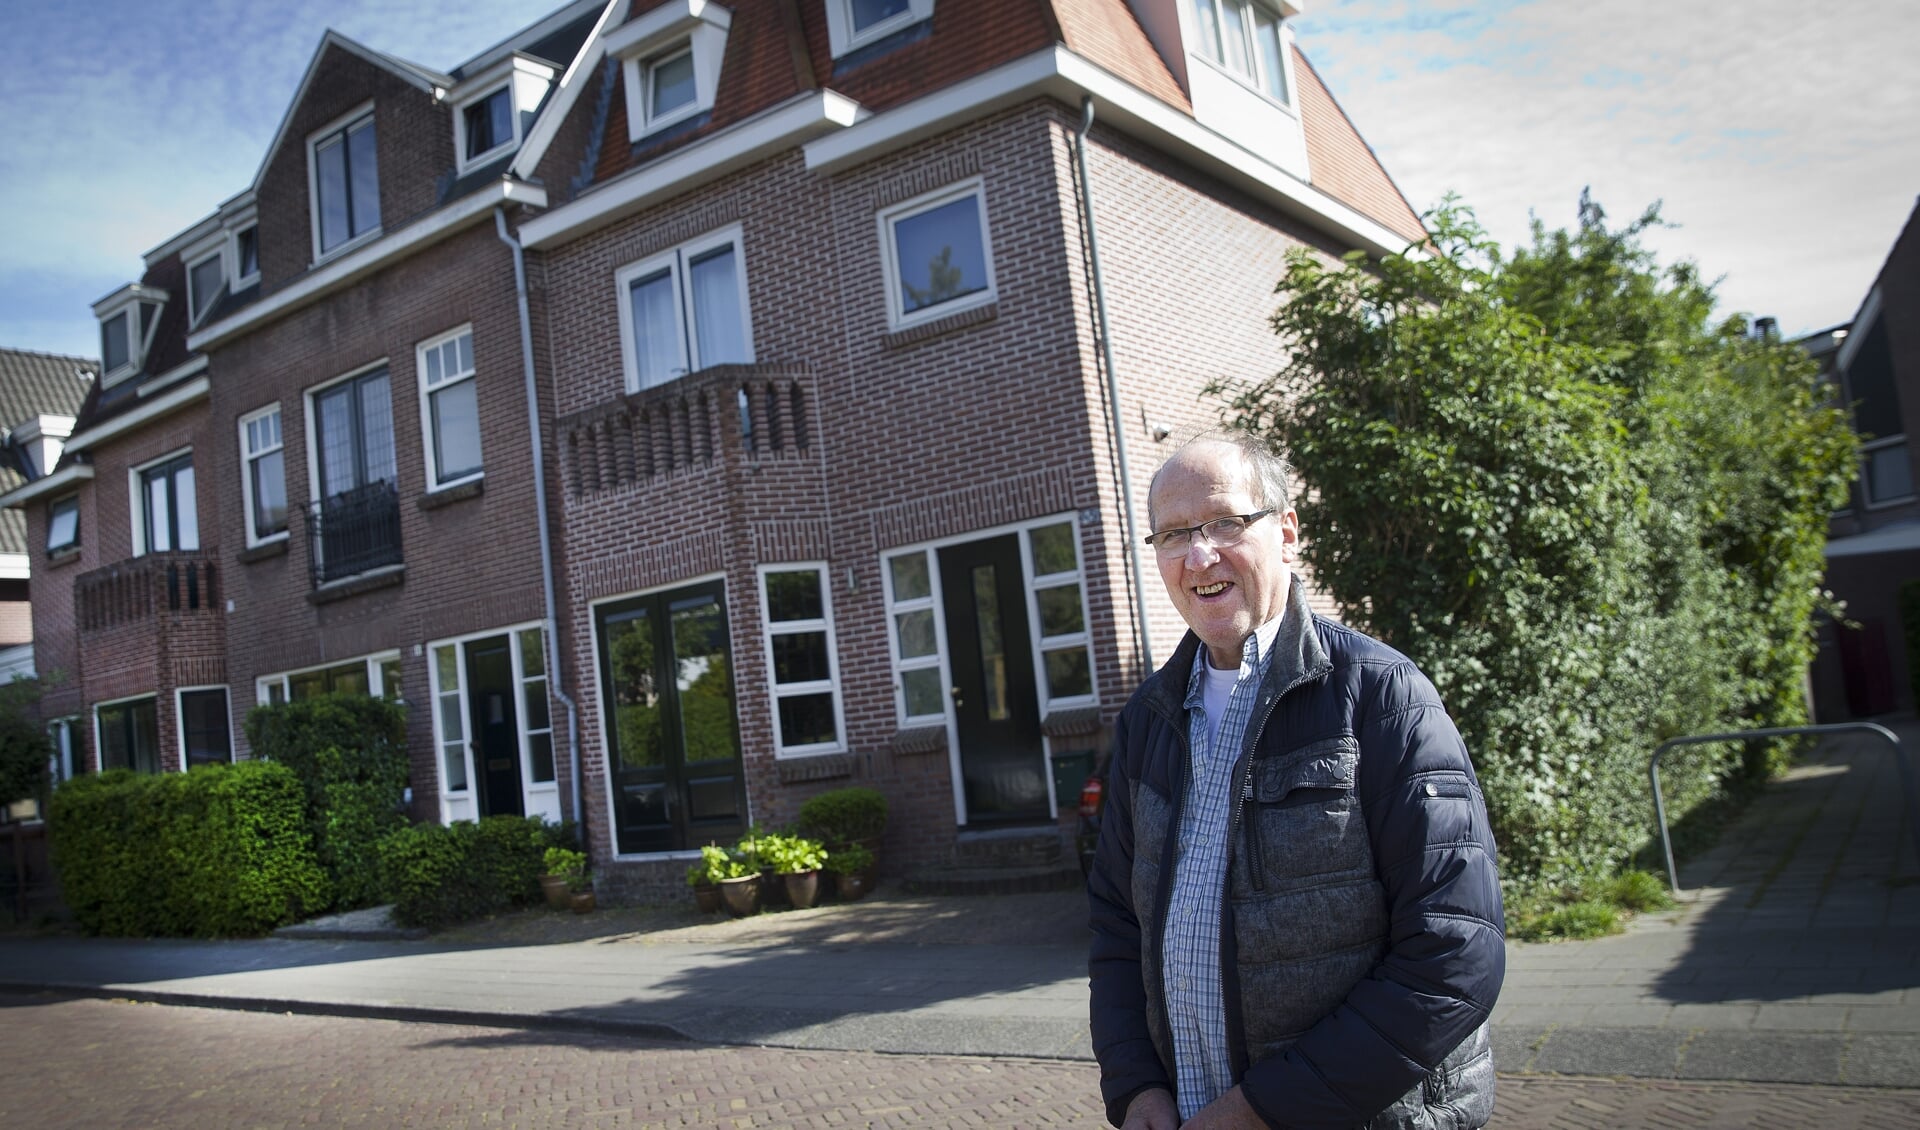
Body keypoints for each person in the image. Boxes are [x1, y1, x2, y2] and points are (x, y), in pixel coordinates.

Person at [1087, 435, 1505, 1129]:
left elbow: (1453, 953)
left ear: (1286, 533)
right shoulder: (1146, 723)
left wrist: (1262, 1111)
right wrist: (1135, 1087)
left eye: (1224, 523)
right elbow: (1116, 929)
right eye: (1172, 534)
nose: (1199, 556)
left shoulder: (1380, 696)